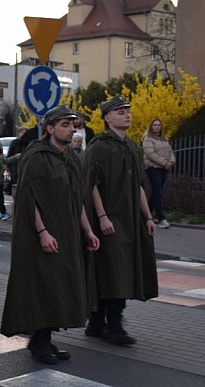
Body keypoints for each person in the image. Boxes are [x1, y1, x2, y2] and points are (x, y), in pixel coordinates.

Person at [0, 105, 100, 365]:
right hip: (40, 235)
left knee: (59, 287)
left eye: (72, 125)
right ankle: (39, 342)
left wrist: (87, 230)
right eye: (64, 125)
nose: (70, 129)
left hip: (66, 233)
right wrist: (42, 231)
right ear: (50, 128)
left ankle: (44, 339)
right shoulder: (36, 156)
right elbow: (28, 198)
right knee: (42, 286)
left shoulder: (71, 157)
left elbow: (77, 198)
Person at [83, 96, 158, 346]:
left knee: (120, 271)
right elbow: (90, 185)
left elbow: (137, 186)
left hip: (129, 221)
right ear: (107, 118)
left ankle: (100, 322)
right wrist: (102, 217)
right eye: (120, 111)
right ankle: (109, 324)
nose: (127, 114)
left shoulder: (131, 147)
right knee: (111, 271)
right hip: (108, 220)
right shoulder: (99, 147)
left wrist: (147, 216)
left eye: (128, 110)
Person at [142, 118, 175, 229]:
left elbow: (171, 152)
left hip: (163, 168)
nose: (157, 127)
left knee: (156, 192)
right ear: (151, 126)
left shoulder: (164, 139)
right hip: (153, 168)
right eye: (155, 125)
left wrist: (171, 161)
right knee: (158, 192)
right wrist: (164, 163)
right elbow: (150, 154)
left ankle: (147, 215)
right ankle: (161, 218)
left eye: (159, 125)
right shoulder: (148, 139)